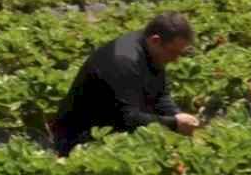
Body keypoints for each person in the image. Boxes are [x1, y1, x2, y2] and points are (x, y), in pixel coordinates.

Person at [51, 12, 201, 156]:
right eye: (173, 52)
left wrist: (176, 114)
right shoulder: (124, 61)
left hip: (115, 127)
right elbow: (128, 119)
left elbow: (160, 94)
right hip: (79, 139)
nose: (176, 60)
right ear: (155, 40)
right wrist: (173, 124)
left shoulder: (152, 51)